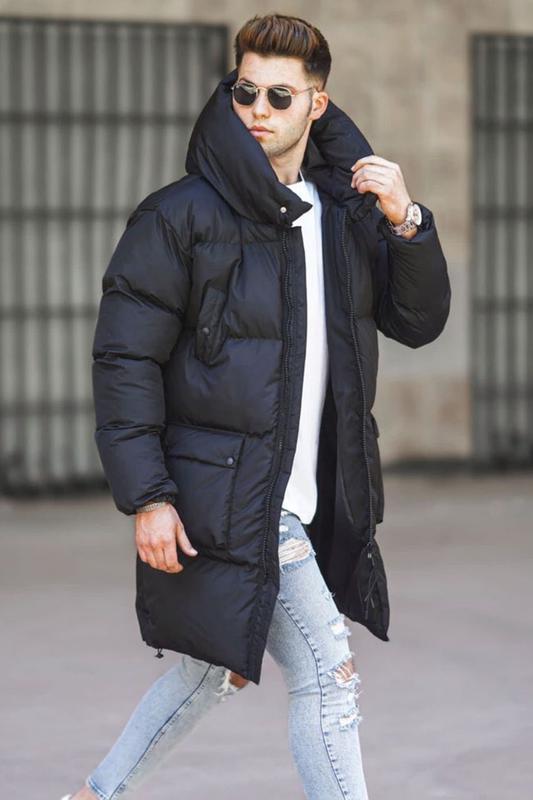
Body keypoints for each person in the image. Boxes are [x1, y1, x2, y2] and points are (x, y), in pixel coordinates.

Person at [66, 12, 451, 800]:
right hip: (229, 492)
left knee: (211, 670)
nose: (257, 110)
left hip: (307, 494)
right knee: (327, 672)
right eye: (244, 92)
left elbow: (417, 322)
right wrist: (148, 496)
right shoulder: (179, 216)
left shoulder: (343, 214)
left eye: (279, 95)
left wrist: (405, 222)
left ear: (316, 104)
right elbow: (125, 361)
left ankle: (92, 797)